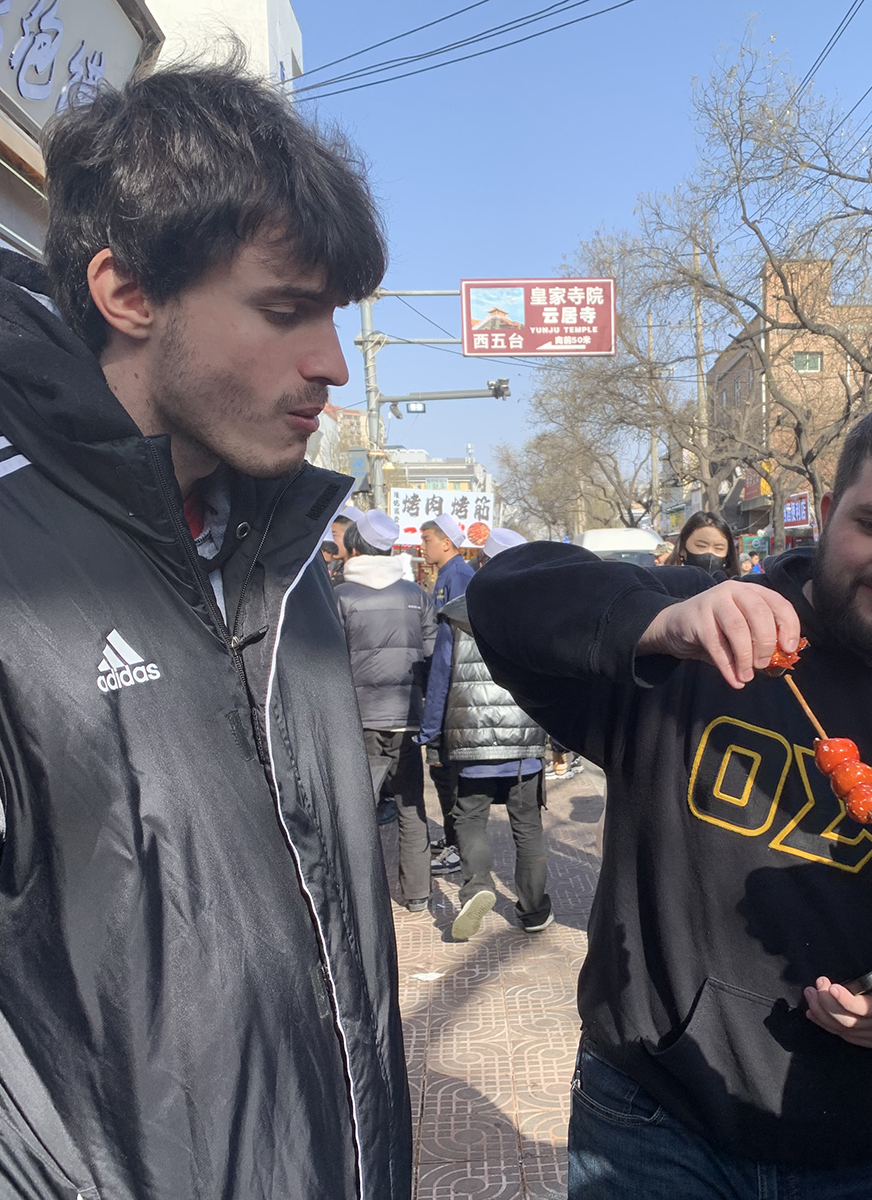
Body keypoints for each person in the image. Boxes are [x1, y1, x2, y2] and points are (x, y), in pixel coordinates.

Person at [0, 61, 410, 1198]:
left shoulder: (282, 557)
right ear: (127, 292)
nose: (328, 363)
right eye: (284, 311)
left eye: (333, 317)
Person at [469, 393, 872, 1199]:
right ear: (827, 513)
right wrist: (656, 624)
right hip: (654, 1119)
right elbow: (504, 598)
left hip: (859, 1145)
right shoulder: (703, 633)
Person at [426, 527, 554, 940]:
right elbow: (557, 681)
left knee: (470, 819)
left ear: (483, 562)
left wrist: (431, 732)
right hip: (524, 746)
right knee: (527, 825)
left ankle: (476, 889)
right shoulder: (540, 616)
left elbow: (441, 677)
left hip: (470, 741)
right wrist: (564, 740)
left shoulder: (459, 612)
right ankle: (534, 911)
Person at [336, 508, 438, 912]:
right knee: (411, 805)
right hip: (407, 716)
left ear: (356, 547)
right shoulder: (416, 595)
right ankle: (417, 894)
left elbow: (326, 659)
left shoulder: (339, 596)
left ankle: (364, 896)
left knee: (358, 808)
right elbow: (432, 655)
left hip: (358, 717)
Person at [418, 512, 474, 875]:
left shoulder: (460, 577)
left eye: (426, 541)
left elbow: (450, 650)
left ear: (446, 543)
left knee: (449, 773)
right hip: (448, 689)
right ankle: (454, 838)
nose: (421, 547)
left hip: (455, 691)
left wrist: (434, 711)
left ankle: (460, 846)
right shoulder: (448, 575)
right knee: (443, 772)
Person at [668, 510, 739, 577]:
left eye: (719, 548)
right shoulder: (664, 585)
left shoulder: (737, 588)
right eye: (701, 546)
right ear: (682, 549)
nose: (709, 552)